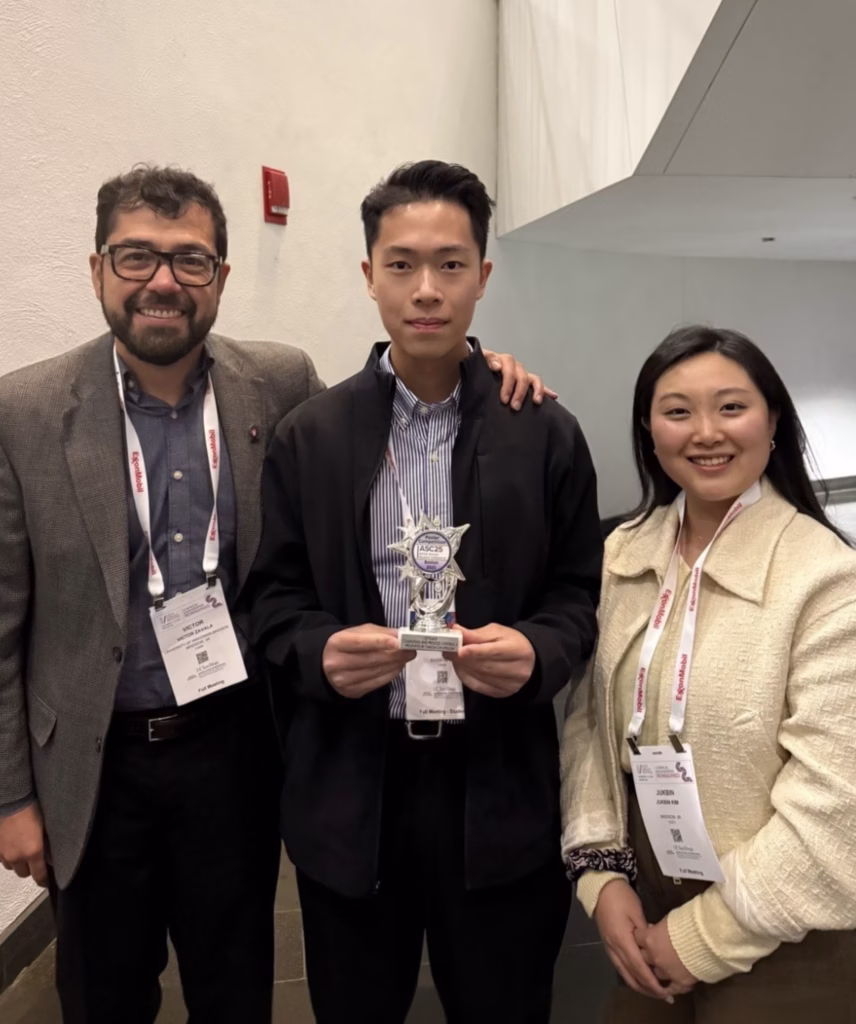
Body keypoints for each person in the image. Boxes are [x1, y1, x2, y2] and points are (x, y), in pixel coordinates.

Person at [0, 164, 547, 1024]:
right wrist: (11, 797)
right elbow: (3, 623)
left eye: (190, 260)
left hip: (237, 749)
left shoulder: (280, 383)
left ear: (220, 276)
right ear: (98, 268)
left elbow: (396, 412)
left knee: (237, 986)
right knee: (102, 996)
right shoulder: (24, 411)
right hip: (94, 767)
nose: (162, 281)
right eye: (136, 256)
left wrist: (484, 369)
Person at [246, 159, 604, 1024]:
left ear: (484, 274)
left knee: (503, 1003)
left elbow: (578, 594)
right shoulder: (311, 435)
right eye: (401, 264)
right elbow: (273, 597)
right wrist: (318, 653)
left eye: (451, 264)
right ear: (368, 275)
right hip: (354, 788)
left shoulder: (544, 432)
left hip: (499, 786)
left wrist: (540, 651)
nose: (427, 290)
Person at [560, 326, 856, 1023]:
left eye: (731, 407)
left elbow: (836, 809)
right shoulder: (624, 555)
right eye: (677, 411)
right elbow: (590, 726)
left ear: (773, 421)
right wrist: (601, 875)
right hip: (647, 909)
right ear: (649, 429)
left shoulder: (826, 580)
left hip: (786, 928)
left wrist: (700, 938)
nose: (705, 433)